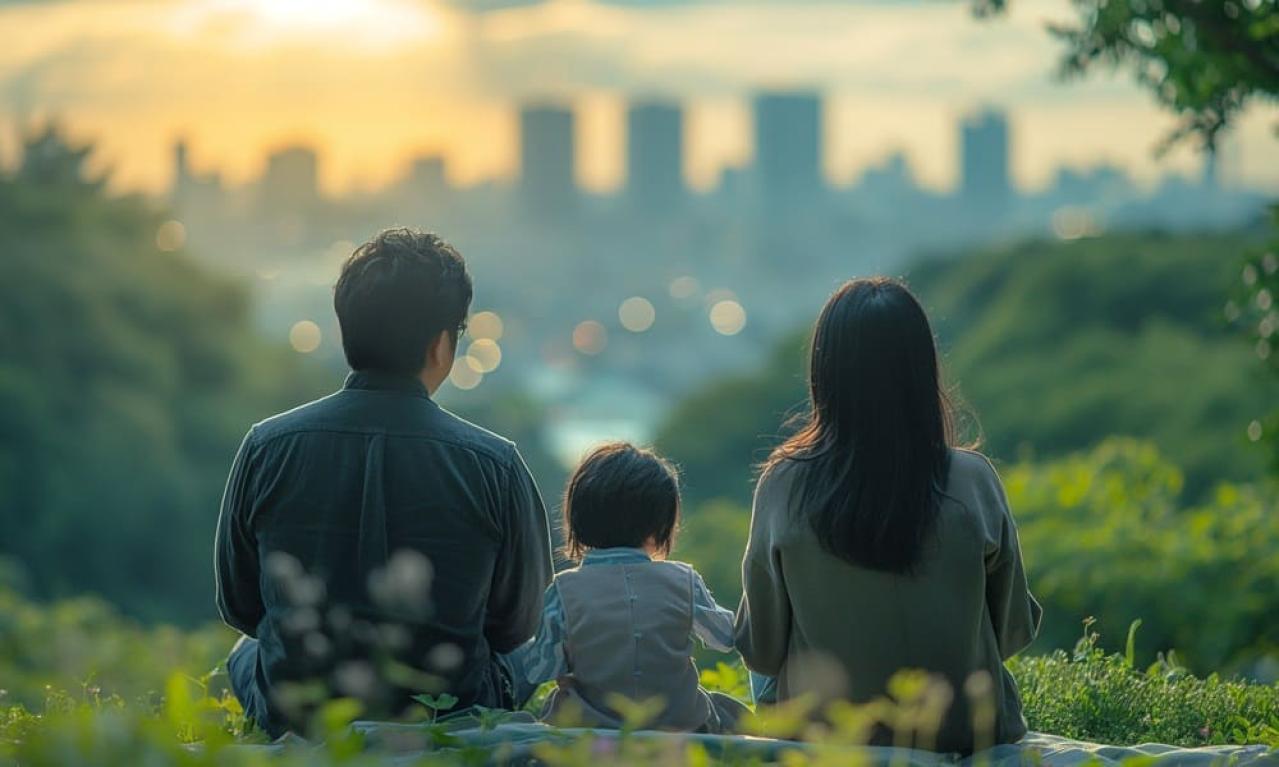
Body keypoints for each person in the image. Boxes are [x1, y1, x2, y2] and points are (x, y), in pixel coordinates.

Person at [215, 228, 554, 737]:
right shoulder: (495, 465)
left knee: (247, 653)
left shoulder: (267, 446)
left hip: (301, 712)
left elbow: (241, 605)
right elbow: (518, 625)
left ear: (346, 329)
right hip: (448, 713)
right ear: (441, 344)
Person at [735, 277, 1042, 754]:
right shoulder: (973, 480)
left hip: (828, 738)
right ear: (922, 370)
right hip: (964, 732)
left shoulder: (784, 483)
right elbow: (1013, 630)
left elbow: (761, 648)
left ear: (826, 374)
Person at [503, 442, 749, 733]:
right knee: (731, 712)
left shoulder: (564, 589)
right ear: (661, 523)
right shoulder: (683, 580)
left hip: (590, 728)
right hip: (680, 726)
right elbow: (725, 637)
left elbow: (539, 670)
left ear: (579, 518)